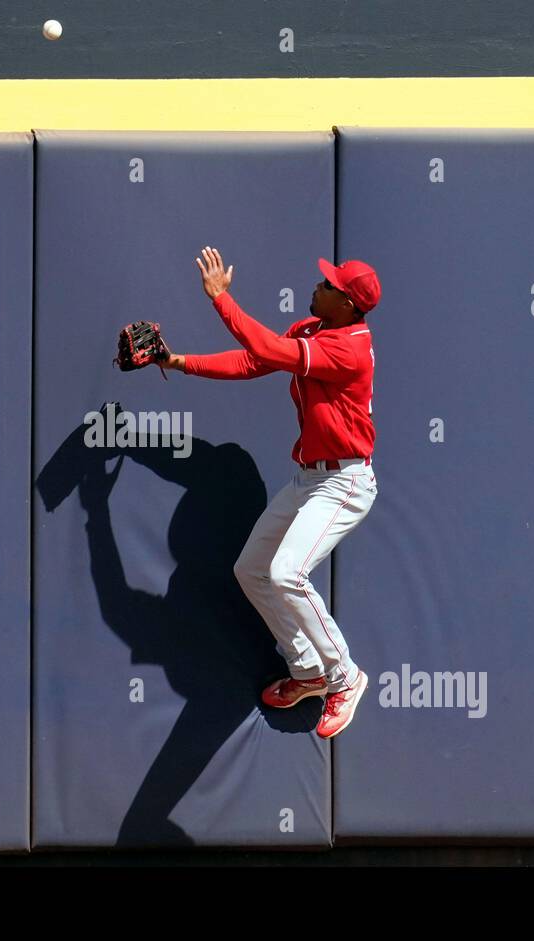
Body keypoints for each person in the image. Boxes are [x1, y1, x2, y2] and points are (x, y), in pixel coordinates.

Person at [157, 247, 380, 740]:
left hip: (344, 482)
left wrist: (221, 300)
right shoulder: (312, 329)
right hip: (310, 479)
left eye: (329, 286)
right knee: (252, 570)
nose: (318, 286)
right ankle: (309, 670)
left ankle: (345, 676)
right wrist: (179, 360)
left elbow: (271, 351)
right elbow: (253, 360)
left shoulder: (349, 346)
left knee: (287, 572)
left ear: (347, 305)